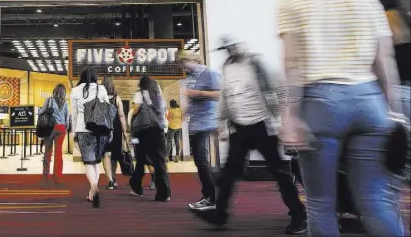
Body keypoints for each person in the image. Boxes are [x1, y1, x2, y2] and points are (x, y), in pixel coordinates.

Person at [278, 0, 405, 237]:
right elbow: (384, 60)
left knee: (321, 204)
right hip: (369, 102)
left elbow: (292, 64)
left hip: (321, 104)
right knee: (375, 202)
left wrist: (289, 117)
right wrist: (395, 111)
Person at [198, 37, 307, 234]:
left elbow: (279, 91)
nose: (231, 51)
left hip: (263, 125)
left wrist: (284, 121)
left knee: (280, 173)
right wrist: (221, 122)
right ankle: (220, 215)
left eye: (233, 47)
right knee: (229, 172)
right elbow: (226, 96)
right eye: (227, 49)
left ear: (241, 46)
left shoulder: (257, 64)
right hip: (239, 128)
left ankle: (299, 216)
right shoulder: (227, 67)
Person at [178, 51, 221, 212]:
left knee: (201, 160)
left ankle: (210, 197)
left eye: (185, 63)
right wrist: (186, 112)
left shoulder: (209, 73)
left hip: (207, 121)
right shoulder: (190, 77)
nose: (184, 67)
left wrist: (198, 93)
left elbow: (220, 93)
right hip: (196, 123)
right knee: (200, 160)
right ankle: (210, 195)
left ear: (194, 60)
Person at [70, 67, 111, 208]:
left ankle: (93, 186)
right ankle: (91, 192)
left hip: (82, 129)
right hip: (100, 130)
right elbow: (107, 111)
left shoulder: (75, 91)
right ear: (94, 77)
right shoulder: (102, 89)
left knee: (89, 162)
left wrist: (73, 133)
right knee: (96, 162)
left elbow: (74, 114)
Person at [129, 76, 171, 202]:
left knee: (140, 160)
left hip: (143, 132)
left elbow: (136, 110)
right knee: (159, 162)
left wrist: (131, 114)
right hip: (158, 131)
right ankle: (164, 193)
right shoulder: (159, 97)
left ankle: (136, 187)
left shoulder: (140, 94)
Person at [101, 76, 129, 190]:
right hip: (116, 128)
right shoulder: (117, 98)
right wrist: (125, 132)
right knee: (114, 155)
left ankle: (110, 180)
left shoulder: (99, 97)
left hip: (103, 129)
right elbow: (121, 115)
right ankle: (114, 178)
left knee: (106, 155)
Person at [39, 84, 69, 184]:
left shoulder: (49, 100)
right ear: (64, 92)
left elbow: (41, 112)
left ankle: (45, 176)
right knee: (58, 153)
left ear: (54, 90)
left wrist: (40, 111)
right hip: (61, 129)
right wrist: (66, 128)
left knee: (47, 152)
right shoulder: (65, 103)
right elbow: (67, 118)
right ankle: (57, 178)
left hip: (50, 128)